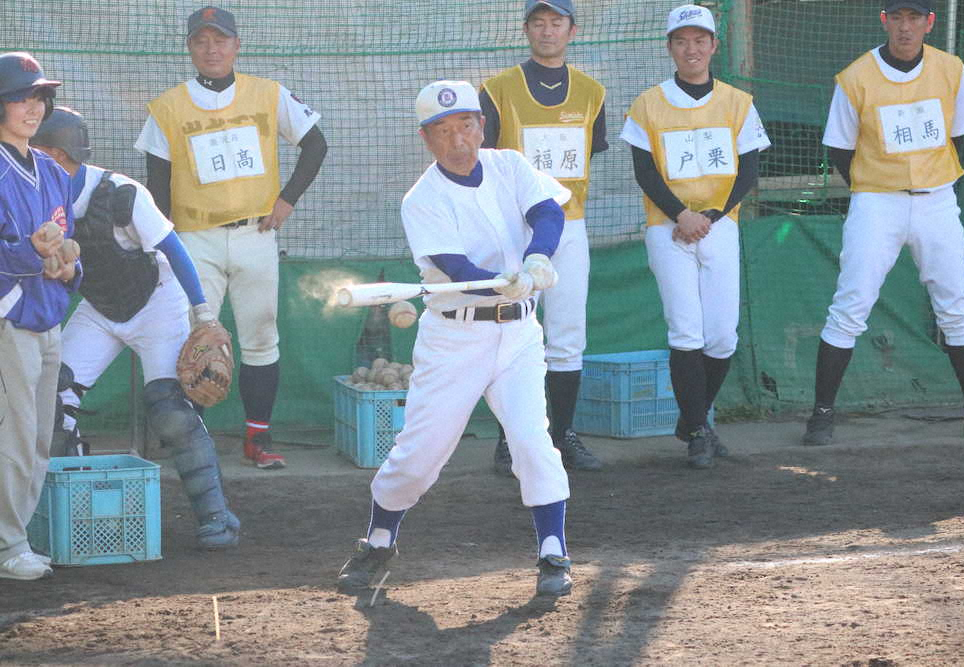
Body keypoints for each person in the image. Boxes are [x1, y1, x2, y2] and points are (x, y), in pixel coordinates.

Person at [336, 81, 574, 598]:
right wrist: (497, 280)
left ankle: (553, 551)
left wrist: (537, 259)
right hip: (455, 337)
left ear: (480, 127)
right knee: (421, 452)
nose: (457, 138)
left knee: (532, 439)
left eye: (465, 125)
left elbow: (548, 212)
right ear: (427, 139)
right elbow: (453, 265)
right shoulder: (421, 199)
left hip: (519, 333)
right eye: (443, 131)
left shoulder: (510, 165)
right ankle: (379, 539)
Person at [31, 106, 240, 549]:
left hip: (157, 303)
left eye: (37, 151)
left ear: (59, 154)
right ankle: (80, 509)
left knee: (170, 413)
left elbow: (174, 249)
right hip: (100, 308)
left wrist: (202, 314)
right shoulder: (36, 197)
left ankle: (217, 517)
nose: (29, 158)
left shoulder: (122, 193)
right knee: (53, 397)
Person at [135, 6, 328, 469]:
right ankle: (192, 442)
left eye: (220, 39)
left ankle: (256, 441)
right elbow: (155, 183)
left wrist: (287, 200)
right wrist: (165, 245)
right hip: (194, 239)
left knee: (261, 338)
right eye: (201, 41)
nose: (212, 48)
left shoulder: (268, 93)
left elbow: (315, 143)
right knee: (195, 341)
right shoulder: (168, 106)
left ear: (237, 45)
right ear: (190, 48)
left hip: (255, 233)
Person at [803, 0, 964, 445]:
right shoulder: (856, 77)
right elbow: (839, 148)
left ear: (931, 22)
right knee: (851, 302)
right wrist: (874, 186)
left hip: (937, 199)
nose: (905, 26)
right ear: (884, 20)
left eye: (915, 17)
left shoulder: (951, 70)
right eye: (897, 17)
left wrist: (932, 181)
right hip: (877, 201)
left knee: (956, 303)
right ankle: (821, 414)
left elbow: (960, 137)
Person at [620, 5, 770, 468]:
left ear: (714, 46)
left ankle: (693, 418)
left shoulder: (737, 101)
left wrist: (710, 214)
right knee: (686, 330)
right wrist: (681, 215)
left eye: (700, 40)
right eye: (682, 41)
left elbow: (748, 171)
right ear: (670, 47)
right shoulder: (649, 102)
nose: (692, 49)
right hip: (668, 228)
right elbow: (645, 171)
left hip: (719, 225)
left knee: (722, 336)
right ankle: (699, 433)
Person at [480, 0, 607, 474]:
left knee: (568, 333)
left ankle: (563, 434)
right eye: (539, 22)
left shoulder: (593, 92)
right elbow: (487, 161)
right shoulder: (497, 90)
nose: (547, 30)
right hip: (515, 228)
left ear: (572, 30)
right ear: (526, 28)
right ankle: (508, 439)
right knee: (510, 329)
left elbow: (589, 152)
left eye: (556, 22)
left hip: (569, 224)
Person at [0, 52, 81, 580]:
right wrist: (34, 255)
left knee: (37, 437)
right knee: (14, 433)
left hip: (48, 316)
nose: (32, 107)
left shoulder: (51, 170)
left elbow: (67, 240)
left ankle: (16, 538)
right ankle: (7, 546)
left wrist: (69, 263)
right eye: (20, 97)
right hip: (8, 316)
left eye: (38, 97)